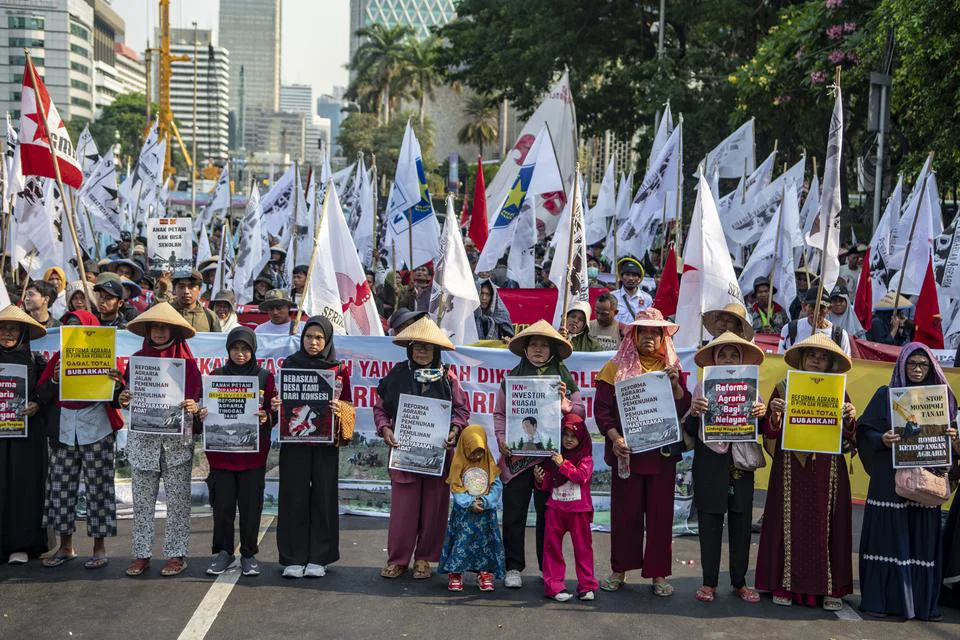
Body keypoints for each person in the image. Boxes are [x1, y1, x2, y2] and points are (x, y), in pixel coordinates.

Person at [857, 342, 959, 620]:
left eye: (922, 364)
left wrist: (953, 438)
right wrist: (882, 439)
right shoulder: (885, 395)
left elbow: (954, 447)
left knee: (921, 540)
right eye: (911, 363)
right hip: (890, 484)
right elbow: (864, 431)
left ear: (931, 367)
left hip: (925, 484)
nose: (916, 369)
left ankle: (921, 604)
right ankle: (882, 601)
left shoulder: (944, 401)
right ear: (901, 364)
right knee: (886, 539)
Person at [755, 333, 857, 610]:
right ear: (802, 358)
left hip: (827, 467)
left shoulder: (839, 390)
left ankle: (830, 589)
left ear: (830, 363)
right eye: (812, 355)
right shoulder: (784, 387)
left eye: (822, 357)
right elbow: (770, 431)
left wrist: (849, 417)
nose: (816, 360)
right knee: (789, 521)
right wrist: (774, 415)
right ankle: (784, 585)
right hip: (792, 465)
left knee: (827, 524)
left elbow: (848, 436)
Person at [594, 308, 691, 596]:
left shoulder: (672, 369)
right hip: (628, 454)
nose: (649, 337)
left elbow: (684, 410)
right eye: (643, 331)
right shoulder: (615, 368)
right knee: (625, 515)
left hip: (661, 457)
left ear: (663, 337)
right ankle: (619, 571)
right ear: (633, 335)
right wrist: (614, 437)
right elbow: (601, 410)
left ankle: (658, 574)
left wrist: (675, 386)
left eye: (655, 332)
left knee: (661, 517)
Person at [375, 317, 469, 580]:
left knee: (434, 509)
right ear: (410, 348)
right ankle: (397, 559)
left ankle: (425, 559)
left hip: (438, 455)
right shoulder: (397, 374)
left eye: (427, 347)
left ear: (436, 350)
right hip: (404, 452)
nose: (422, 351)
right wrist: (386, 429)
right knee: (403, 510)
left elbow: (461, 410)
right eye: (417, 346)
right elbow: (381, 408)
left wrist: (454, 430)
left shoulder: (449, 378)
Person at [495, 320, 584, 589]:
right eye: (533, 344)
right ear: (525, 349)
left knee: (549, 518)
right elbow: (500, 415)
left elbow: (579, 413)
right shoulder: (511, 378)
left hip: (550, 460)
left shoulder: (564, 379)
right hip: (518, 460)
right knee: (513, 513)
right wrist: (501, 439)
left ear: (552, 350)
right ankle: (513, 567)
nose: (538, 349)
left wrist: (564, 402)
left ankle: (550, 570)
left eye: (544, 345)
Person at [118, 303, 202, 577]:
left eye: (164, 327)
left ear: (174, 331)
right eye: (155, 327)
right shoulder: (137, 360)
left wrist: (193, 407)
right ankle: (141, 555)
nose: (159, 332)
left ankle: (177, 555)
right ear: (148, 331)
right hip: (144, 443)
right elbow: (129, 400)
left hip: (177, 445)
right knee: (142, 502)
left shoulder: (189, 366)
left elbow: (200, 405)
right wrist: (124, 399)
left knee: (178, 502)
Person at [37, 311, 124, 570]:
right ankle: (65, 546)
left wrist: (117, 384)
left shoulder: (106, 359)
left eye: (78, 327)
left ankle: (99, 547)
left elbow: (119, 397)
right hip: (64, 428)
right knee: (61, 489)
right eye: (68, 327)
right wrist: (54, 378)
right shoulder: (58, 359)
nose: (73, 332)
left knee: (99, 489)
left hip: (97, 427)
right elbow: (41, 395)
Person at [684, 332, 767, 604]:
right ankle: (708, 583)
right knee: (709, 523)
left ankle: (740, 582)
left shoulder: (752, 389)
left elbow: (764, 430)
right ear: (714, 360)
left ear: (741, 360)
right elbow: (689, 432)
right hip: (710, 463)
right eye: (723, 355)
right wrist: (695, 412)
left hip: (740, 464)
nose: (729, 360)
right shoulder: (700, 389)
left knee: (741, 523)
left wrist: (762, 414)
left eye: (734, 355)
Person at [270, 316, 354, 578]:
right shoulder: (290, 365)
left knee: (323, 497)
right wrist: (276, 405)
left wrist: (339, 408)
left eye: (319, 337)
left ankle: (320, 556)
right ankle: (293, 557)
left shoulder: (339, 369)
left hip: (325, 445)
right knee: (293, 496)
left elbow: (350, 405)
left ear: (327, 340)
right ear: (302, 338)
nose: (313, 342)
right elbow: (279, 401)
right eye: (309, 336)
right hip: (294, 443)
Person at [201, 327, 277, 578]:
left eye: (245, 349)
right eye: (235, 348)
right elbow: (209, 412)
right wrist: (203, 414)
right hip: (222, 455)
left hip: (252, 455)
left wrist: (267, 415)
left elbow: (273, 415)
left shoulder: (264, 377)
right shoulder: (216, 376)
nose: (240, 354)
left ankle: (248, 554)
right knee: (222, 506)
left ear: (253, 350)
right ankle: (223, 552)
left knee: (250, 506)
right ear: (228, 350)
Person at [534, 413, 598, 602]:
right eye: (565, 435)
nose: (569, 440)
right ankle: (554, 586)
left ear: (582, 438)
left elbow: (580, 476)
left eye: (574, 436)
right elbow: (548, 483)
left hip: (579, 512)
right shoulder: (554, 457)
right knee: (551, 548)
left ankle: (586, 586)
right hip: (555, 509)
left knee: (583, 549)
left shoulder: (585, 458)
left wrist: (563, 464)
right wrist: (540, 480)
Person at [0, 306, 46, 565]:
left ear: (22, 333)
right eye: (3, 328)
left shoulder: (35, 361)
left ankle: (22, 544)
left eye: (13, 328)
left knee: (23, 488)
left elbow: (47, 393)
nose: (7, 333)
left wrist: (37, 403)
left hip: (25, 437)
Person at [438, 425, 505, 592]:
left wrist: (484, 501)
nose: (477, 456)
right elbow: (456, 487)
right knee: (461, 542)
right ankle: (455, 573)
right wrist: (469, 502)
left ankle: (484, 574)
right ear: (465, 447)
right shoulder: (458, 463)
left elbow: (496, 486)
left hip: (485, 514)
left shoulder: (489, 462)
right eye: (473, 451)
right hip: (464, 515)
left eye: (480, 451)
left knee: (486, 544)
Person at [778, 288, 851, 355]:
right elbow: (781, 359)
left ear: (829, 309)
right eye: (813, 307)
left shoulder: (840, 336)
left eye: (821, 307)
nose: (817, 312)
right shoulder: (790, 329)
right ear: (804, 307)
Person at [612, 257, 652, 323]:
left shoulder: (647, 298)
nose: (630, 278)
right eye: (627, 275)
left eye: (634, 275)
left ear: (639, 278)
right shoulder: (612, 297)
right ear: (621, 277)